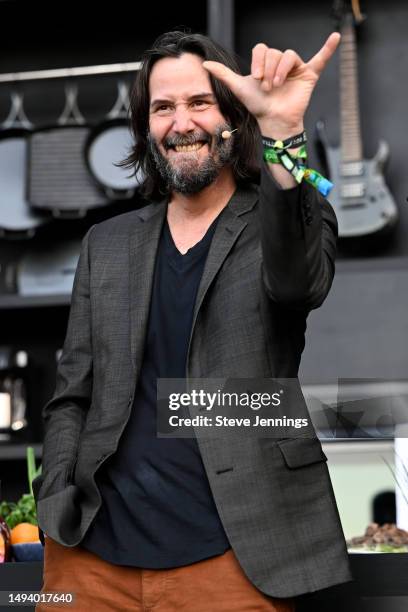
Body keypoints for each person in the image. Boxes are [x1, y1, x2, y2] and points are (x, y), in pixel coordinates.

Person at [33, 30, 353, 611]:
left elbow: (300, 283)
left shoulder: (284, 215)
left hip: (235, 558)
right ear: (147, 127)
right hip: (93, 563)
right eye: (163, 107)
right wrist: (55, 496)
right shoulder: (106, 245)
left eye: (200, 103)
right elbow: (72, 395)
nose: (182, 122)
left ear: (233, 114)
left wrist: (283, 133)